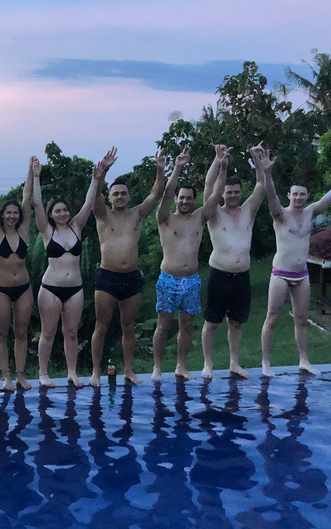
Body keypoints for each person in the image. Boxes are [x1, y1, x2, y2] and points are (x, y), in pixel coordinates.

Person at [258, 145, 331, 376]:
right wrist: (267, 172)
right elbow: (271, 195)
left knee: (302, 320)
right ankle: (265, 363)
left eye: (302, 194)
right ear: (289, 196)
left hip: (301, 274)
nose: (298, 198)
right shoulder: (280, 215)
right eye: (295, 194)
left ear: (307, 196)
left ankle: (304, 360)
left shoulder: (311, 212)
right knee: (272, 318)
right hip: (281, 273)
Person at [32, 151, 111, 388]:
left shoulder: (76, 226)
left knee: (72, 333)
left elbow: (89, 202)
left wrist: (96, 178)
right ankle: (43, 373)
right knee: (48, 333)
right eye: (57, 211)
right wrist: (36, 176)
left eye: (65, 210)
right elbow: (36, 203)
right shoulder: (47, 231)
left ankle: (72, 372)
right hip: (50, 288)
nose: (62, 213)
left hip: (75, 289)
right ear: (50, 214)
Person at [90, 150, 166, 385]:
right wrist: (103, 172)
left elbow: (156, 194)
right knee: (101, 326)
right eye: (116, 194)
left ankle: (129, 371)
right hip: (107, 278)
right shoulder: (103, 214)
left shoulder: (137, 214)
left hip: (131, 278)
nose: (120, 196)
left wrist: (160, 171)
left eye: (123, 193)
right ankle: (96, 372)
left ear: (129, 196)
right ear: (109, 197)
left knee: (128, 327)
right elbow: (94, 196)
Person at [150, 147, 222, 382]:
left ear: (193, 200)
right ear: (176, 199)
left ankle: (180, 365)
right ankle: (157, 367)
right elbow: (166, 194)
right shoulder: (165, 218)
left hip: (191, 280)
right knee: (163, 325)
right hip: (168, 279)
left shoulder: (199, 217)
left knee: (187, 326)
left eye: (188, 198)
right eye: (181, 197)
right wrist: (177, 167)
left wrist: (222, 165)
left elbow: (216, 195)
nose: (184, 201)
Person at [199, 145, 265, 379]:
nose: (233, 195)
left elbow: (261, 185)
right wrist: (219, 163)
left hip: (242, 276)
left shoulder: (249, 210)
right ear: (223, 194)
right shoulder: (214, 213)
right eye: (229, 192)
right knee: (212, 322)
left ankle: (234, 363)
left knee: (236, 322)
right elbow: (208, 185)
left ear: (240, 192)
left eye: (236, 192)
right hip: (219, 273)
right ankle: (208, 363)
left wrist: (257, 159)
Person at [0, 157, 35, 391]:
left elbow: (27, 197)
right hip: (2, 290)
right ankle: (6, 376)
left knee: (22, 333)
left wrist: (31, 171)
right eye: (8, 213)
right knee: (1, 333)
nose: (12, 216)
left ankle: (20, 374)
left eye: (15, 213)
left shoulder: (23, 230)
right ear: (2, 215)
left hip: (23, 288)